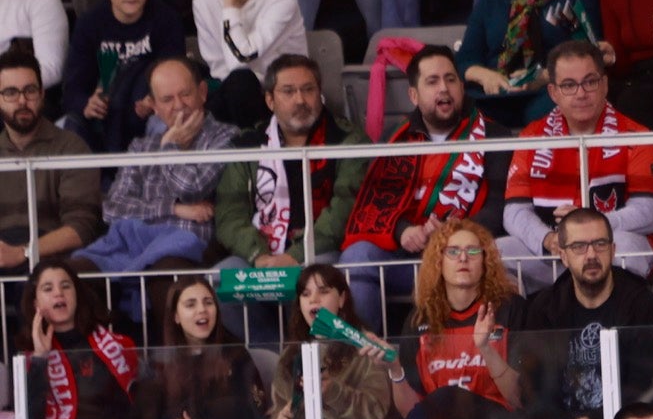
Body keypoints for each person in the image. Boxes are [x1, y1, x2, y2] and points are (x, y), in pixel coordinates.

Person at [339, 45, 514, 327]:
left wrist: (452, 235)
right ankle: (369, 359)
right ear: (414, 95)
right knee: (356, 256)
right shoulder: (395, 138)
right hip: (409, 259)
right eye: (432, 82)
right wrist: (403, 230)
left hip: (464, 255)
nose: (443, 88)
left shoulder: (493, 135)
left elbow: (498, 206)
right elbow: (377, 206)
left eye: (451, 79)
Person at [213, 55, 368, 344]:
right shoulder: (248, 144)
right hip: (262, 255)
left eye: (308, 90)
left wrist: (294, 257)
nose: (301, 99)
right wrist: (258, 256)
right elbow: (229, 214)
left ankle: (311, 356)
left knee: (308, 280)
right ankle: (275, 356)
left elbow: (346, 206)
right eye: (289, 91)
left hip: (320, 251)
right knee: (221, 276)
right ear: (270, 100)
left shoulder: (347, 140)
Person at [387, 219, 550, 419]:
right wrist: (395, 370)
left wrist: (485, 348)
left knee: (456, 407)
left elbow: (522, 399)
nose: (463, 258)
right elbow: (413, 412)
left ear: (485, 261)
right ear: (438, 262)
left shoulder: (511, 310)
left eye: (473, 251)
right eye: (453, 251)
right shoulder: (419, 320)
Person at [499, 41, 653, 288]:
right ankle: (527, 324)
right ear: (553, 92)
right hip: (554, 250)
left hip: (607, 246)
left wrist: (590, 227)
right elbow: (514, 213)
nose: (581, 93)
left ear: (605, 85)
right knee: (492, 255)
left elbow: (649, 213)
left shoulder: (635, 135)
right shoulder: (531, 137)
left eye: (590, 81)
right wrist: (550, 239)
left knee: (629, 248)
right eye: (568, 85)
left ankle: (615, 322)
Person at [72, 57, 240, 290]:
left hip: (190, 245)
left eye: (186, 94)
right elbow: (113, 209)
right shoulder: (142, 147)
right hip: (132, 243)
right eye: (167, 99)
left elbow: (191, 189)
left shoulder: (226, 137)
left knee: (165, 272)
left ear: (202, 92)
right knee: (73, 275)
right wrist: (174, 209)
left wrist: (169, 147)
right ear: (153, 105)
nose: (179, 105)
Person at [522, 214, 653, 419]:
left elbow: (647, 386)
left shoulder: (638, 303)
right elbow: (535, 393)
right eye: (579, 247)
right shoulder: (545, 308)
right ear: (563, 255)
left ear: (613, 250)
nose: (591, 255)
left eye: (600, 244)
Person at [19, 264, 139, 419]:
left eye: (66, 286)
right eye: (48, 289)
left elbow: (133, 409)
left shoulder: (114, 346)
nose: (58, 293)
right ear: (35, 303)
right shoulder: (26, 355)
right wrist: (40, 359)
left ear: (77, 295)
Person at [138, 280, 268, 419]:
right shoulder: (159, 364)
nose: (202, 310)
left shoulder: (235, 356)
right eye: (191, 304)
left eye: (208, 302)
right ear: (175, 316)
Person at [457, 0, 605, 128]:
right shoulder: (490, 0)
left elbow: (589, 55)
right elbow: (465, 59)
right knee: (468, 111)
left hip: (552, 88)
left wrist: (541, 77)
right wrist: (485, 76)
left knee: (543, 113)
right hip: (497, 92)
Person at [59, 0, 182, 155]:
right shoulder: (89, 24)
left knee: (166, 123)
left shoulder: (166, 20)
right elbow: (72, 88)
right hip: (102, 117)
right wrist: (87, 103)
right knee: (66, 127)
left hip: (149, 112)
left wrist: (154, 101)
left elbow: (175, 75)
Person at [0, 48, 99, 276]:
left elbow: (80, 229)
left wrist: (23, 252)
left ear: (43, 93)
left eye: (30, 90)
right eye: (11, 93)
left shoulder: (72, 148)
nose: (23, 101)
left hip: (50, 262)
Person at [267, 265, 394, 419]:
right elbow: (275, 413)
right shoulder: (291, 353)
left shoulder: (365, 345)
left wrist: (333, 391)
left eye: (323, 291)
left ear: (342, 299)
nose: (313, 299)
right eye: (305, 294)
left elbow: (375, 412)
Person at [191, 0, 307, 127]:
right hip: (234, 94)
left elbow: (240, 60)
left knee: (241, 83)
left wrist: (231, 4)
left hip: (283, 95)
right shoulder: (203, 2)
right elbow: (220, 68)